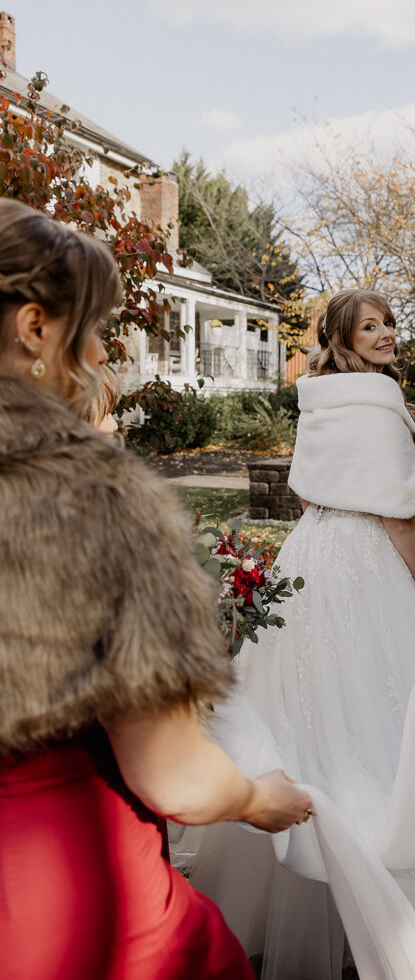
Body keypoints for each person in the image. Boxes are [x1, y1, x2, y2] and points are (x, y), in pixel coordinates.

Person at [179, 288, 415, 980]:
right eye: (369, 327)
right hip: (366, 561)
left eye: (387, 323)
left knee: (301, 704)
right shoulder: (380, 405)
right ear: (343, 338)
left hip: (312, 550)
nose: (385, 336)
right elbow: (402, 517)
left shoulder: (317, 401)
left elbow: (308, 492)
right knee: (387, 710)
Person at [0, 197, 312, 980]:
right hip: (53, 890)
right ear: (35, 329)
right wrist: (253, 798)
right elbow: (172, 776)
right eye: (97, 329)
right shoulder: (87, 495)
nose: (103, 354)